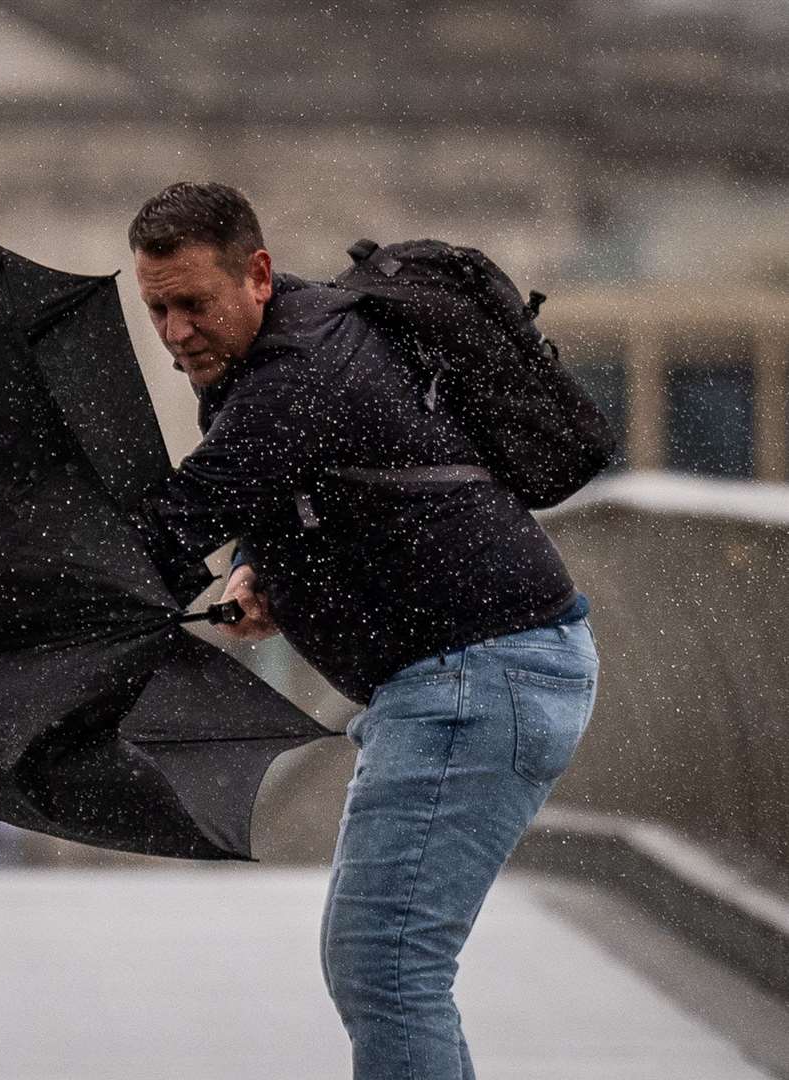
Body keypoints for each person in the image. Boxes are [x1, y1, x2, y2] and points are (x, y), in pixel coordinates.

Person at [127, 182, 598, 1079]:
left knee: (387, 967)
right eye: (157, 309)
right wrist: (266, 574)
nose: (177, 330)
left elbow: (161, 531)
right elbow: (329, 490)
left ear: (257, 275)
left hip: (477, 678)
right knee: (386, 966)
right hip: (477, 673)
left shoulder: (294, 376)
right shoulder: (285, 357)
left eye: (194, 303)